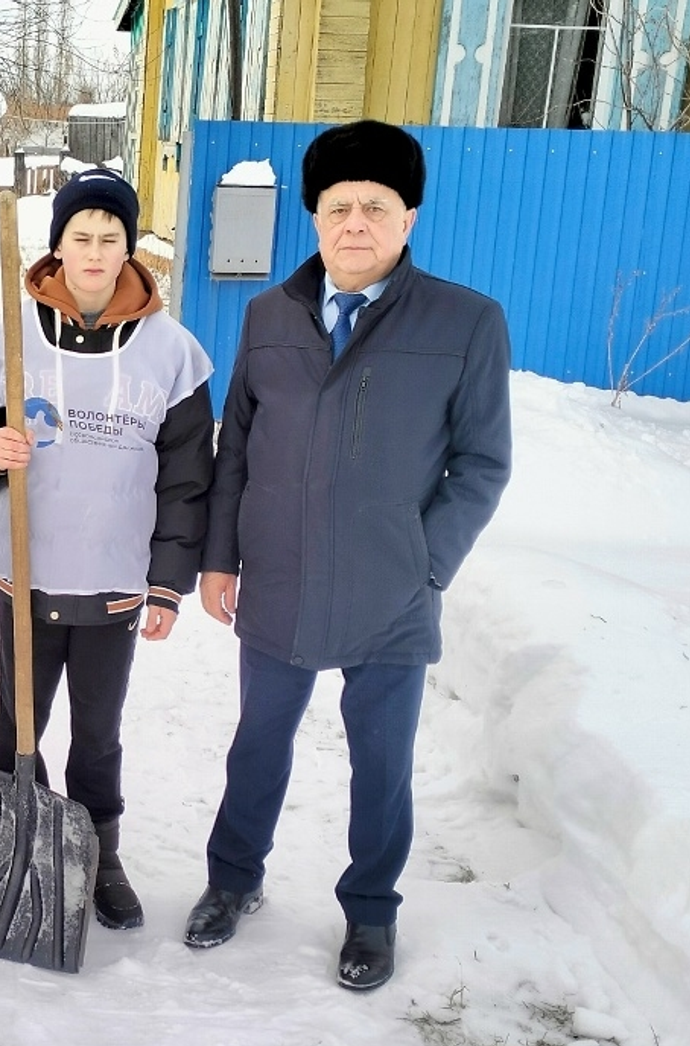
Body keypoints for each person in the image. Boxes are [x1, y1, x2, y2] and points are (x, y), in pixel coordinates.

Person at [182, 120, 513, 989]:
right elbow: (236, 449)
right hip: (281, 581)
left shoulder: (467, 323)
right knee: (258, 742)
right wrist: (220, 559)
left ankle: (371, 913)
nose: (355, 223)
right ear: (314, 218)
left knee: (381, 764)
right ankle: (232, 879)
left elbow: (482, 463)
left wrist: (425, 561)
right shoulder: (270, 315)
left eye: (376, 207)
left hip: (392, 594)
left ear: (408, 219)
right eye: (339, 207)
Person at [0, 169, 215, 930]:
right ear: (57, 245)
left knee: (98, 732)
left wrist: (167, 582)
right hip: (27, 575)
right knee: (17, 725)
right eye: (80, 237)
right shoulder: (11, 331)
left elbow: (189, 476)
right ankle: (7, 844)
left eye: (110, 238)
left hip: (115, 581)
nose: (95, 253)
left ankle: (101, 851)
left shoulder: (172, 351)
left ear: (131, 247)